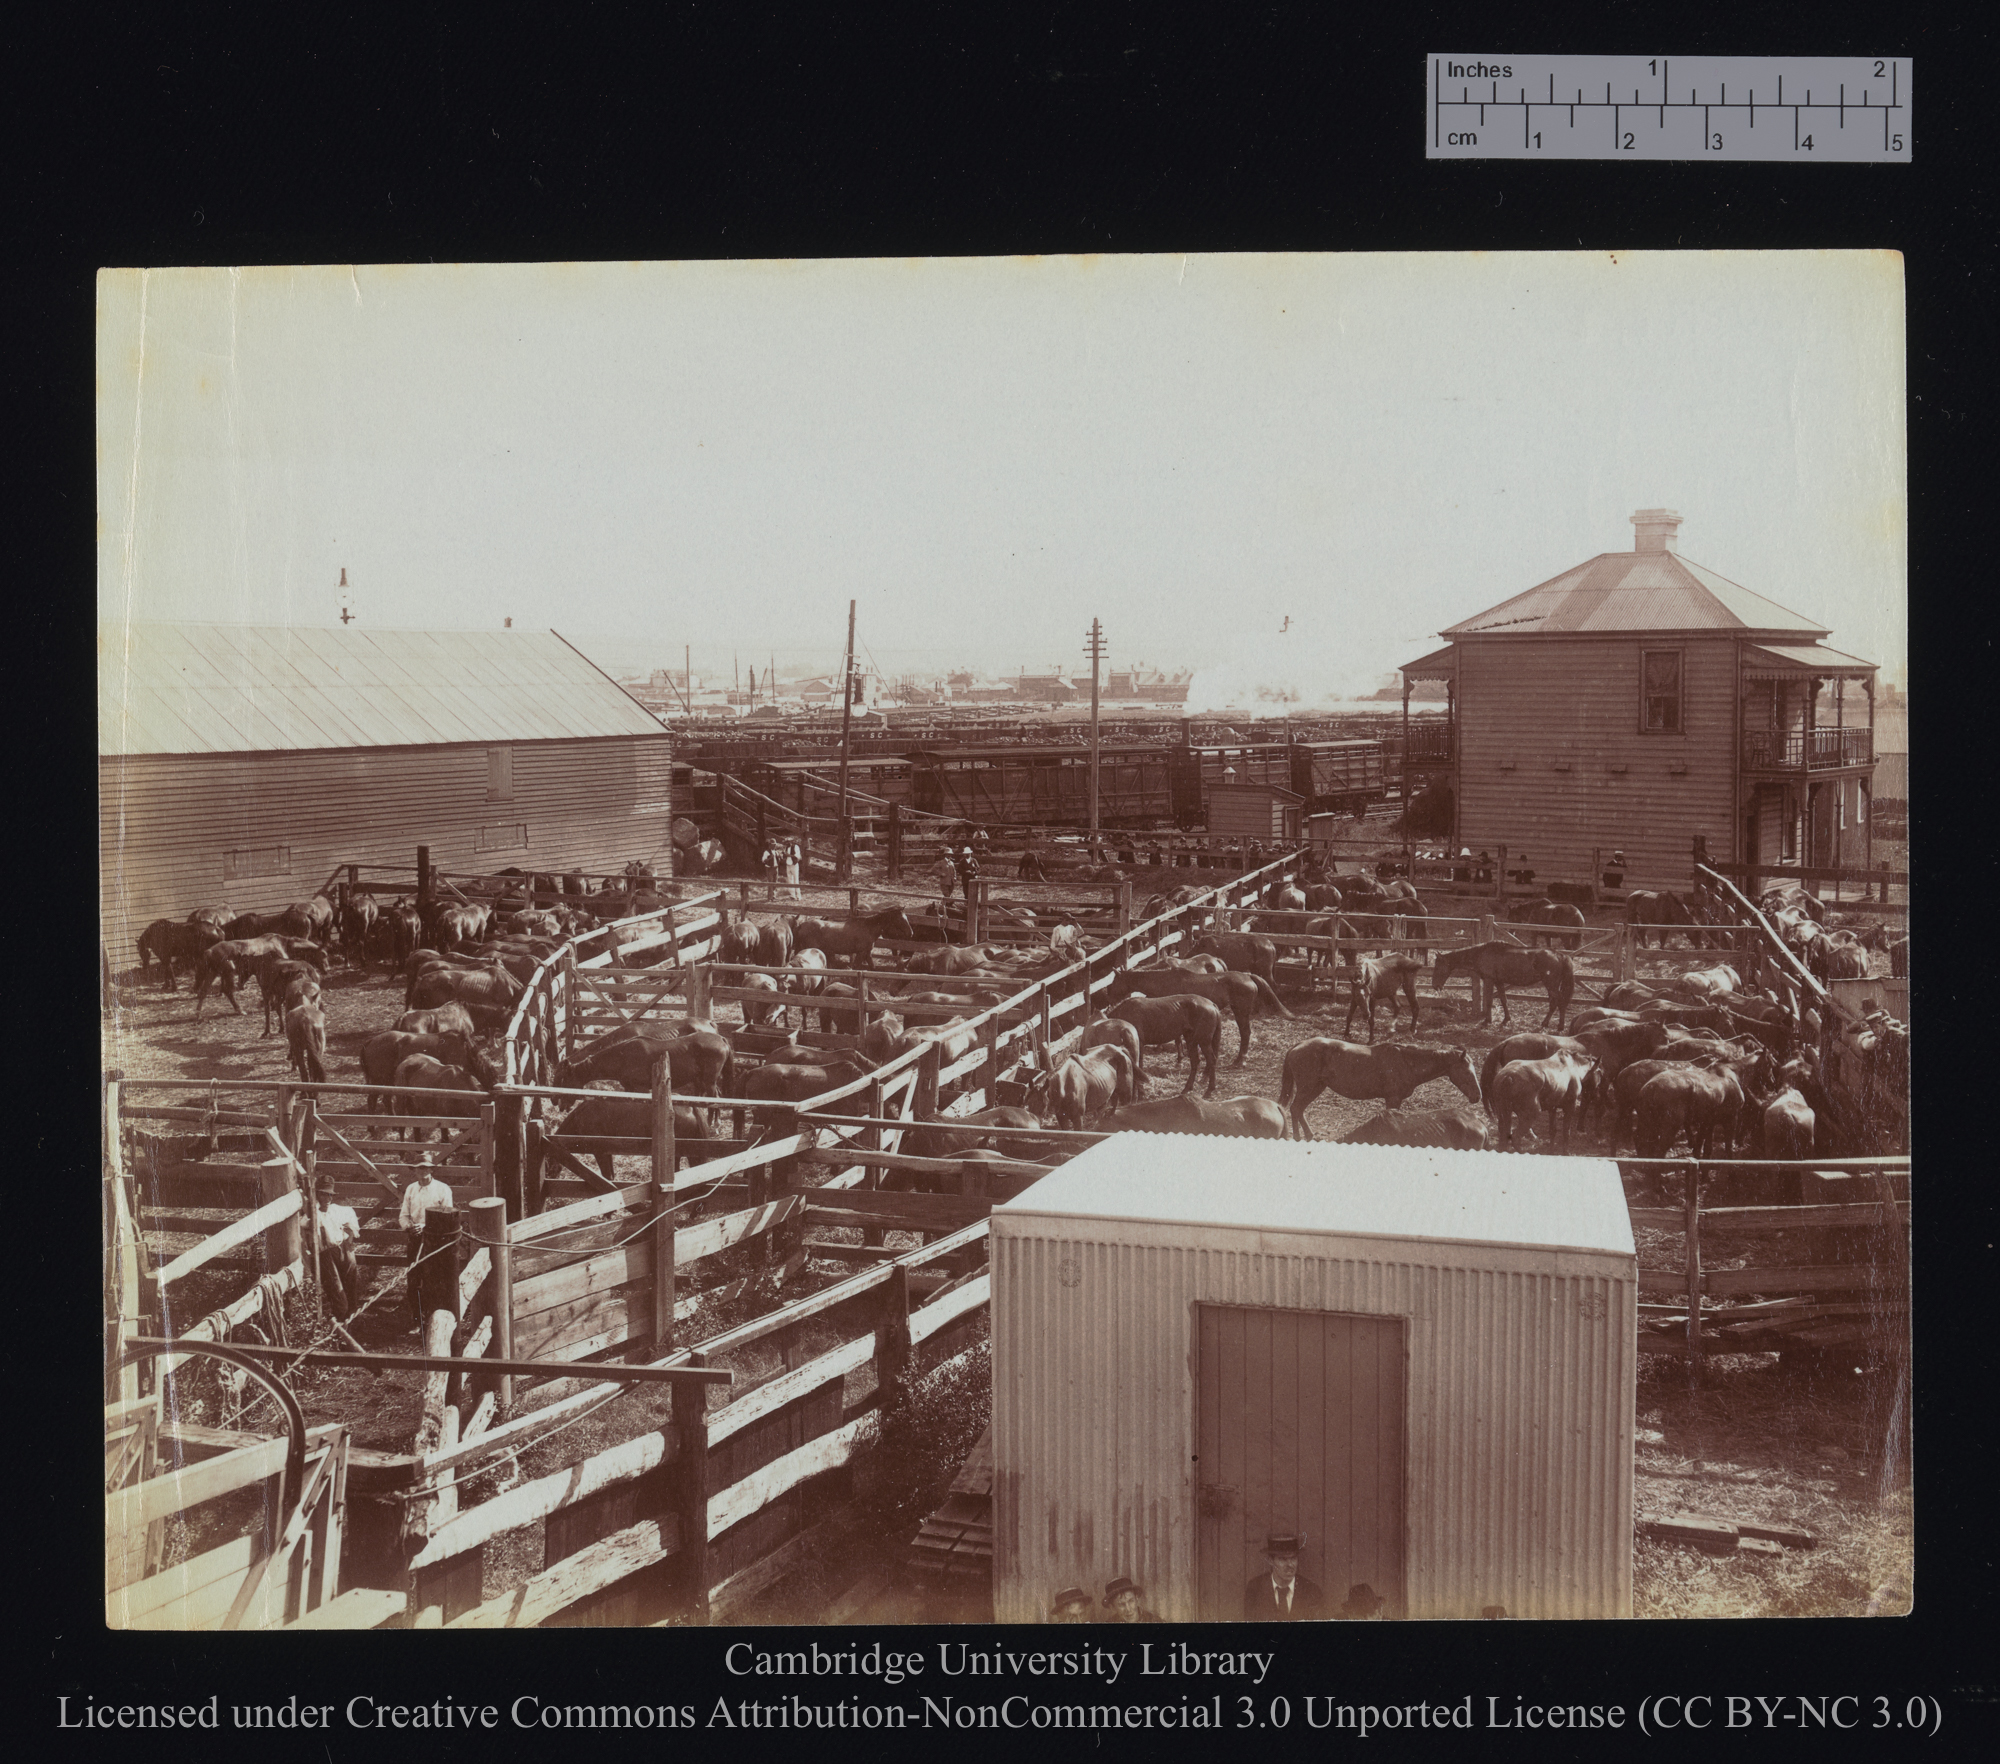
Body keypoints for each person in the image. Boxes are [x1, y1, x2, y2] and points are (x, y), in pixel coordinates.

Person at [398, 1161, 456, 1331]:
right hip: (416, 1240)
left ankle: (435, 1320)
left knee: (434, 1280)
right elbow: (403, 1215)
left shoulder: (443, 1189)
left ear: (431, 1169)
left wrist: (425, 1226)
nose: (422, 1171)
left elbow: (447, 1216)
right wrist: (409, 1226)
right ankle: (417, 1320)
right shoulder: (411, 1189)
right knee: (414, 1281)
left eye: (425, 1167)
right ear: (414, 1170)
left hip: (436, 1240)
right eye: (418, 1168)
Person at [1244, 1533, 1325, 1621]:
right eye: (1282, 1559)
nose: (1290, 1565)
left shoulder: (1312, 1591)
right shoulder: (1255, 1589)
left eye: (1293, 1558)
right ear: (1271, 1561)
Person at [314, 1176, 363, 1320]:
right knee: (337, 1293)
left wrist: (349, 1234)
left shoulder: (339, 1210)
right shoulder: (313, 1214)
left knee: (350, 1285)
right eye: (323, 1194)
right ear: (317, 1194)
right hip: (326, 1254)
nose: (327, 1198)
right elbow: (305, 1229)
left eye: (330, 1194)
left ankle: (352, 1321)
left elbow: (352, 1225)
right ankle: (340, 1326)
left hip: (342, 1248)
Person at [934, 847, 962, 939]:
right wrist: (940, 874)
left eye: (950, 855)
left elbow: (954, 871)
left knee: (949, 896)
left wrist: (955, 877)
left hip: (951, 882)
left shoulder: (951, 863)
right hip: (944, 882)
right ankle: (946, 909)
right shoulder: (941, 862)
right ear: (945, 855)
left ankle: (946, 907)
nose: (949, 856)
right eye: (948, 854)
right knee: (947, 895)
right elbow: (934, 869)